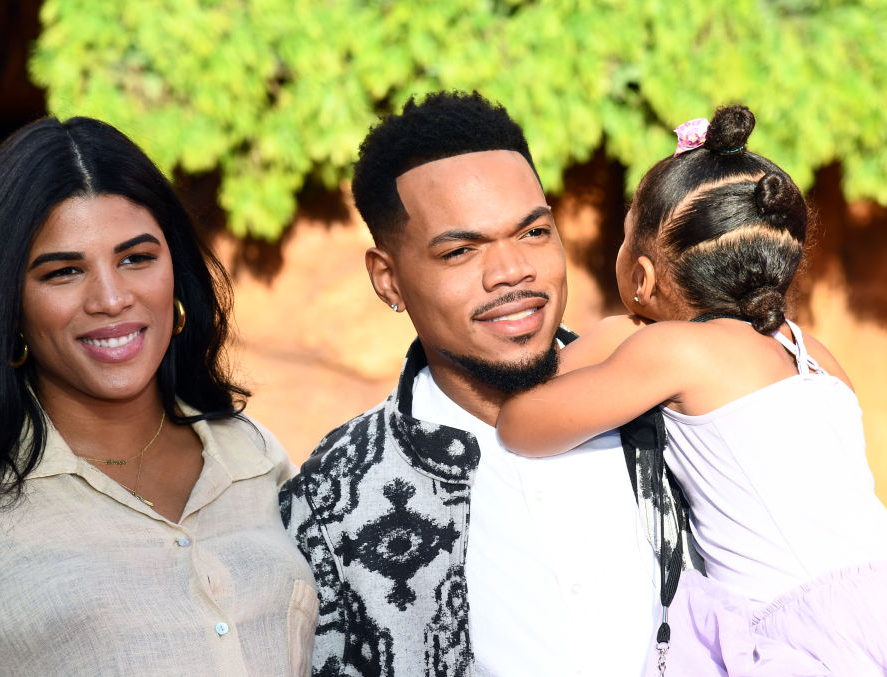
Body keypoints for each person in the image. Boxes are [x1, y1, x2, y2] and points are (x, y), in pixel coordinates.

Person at [0, 116, 317, 676]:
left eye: (136, 259)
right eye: (63, 271)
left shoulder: (253, 458)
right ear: (8, 305)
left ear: (175, 270)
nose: (110, 298)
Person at [280, 91, 702, 677]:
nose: (512, 271)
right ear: (388, 279)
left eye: (532, 233)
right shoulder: (335, 498)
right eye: (460, 250)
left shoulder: (680, 408)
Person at [498, 105, 887, 675]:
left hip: (800, 634)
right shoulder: (813, 354)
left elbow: (522, 424)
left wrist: (616, 331)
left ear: (643, 277)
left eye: (626, 235)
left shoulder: (671, 349)